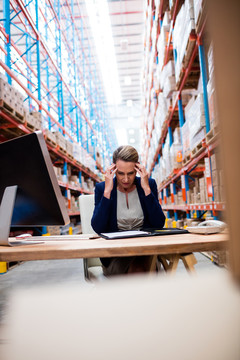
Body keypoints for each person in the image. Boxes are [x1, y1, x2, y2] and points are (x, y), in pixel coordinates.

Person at [91, 145, 165, 276]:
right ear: (113, 169)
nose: (125, 179)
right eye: (120, 173)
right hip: (116, 254)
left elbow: (158, 223)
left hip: (145, 251)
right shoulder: (102, 188)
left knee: (142, 268)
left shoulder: (148, 184)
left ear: (137, 169)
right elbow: (98, 227)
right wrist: (107, 191)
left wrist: (147, 189)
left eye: (130, 173)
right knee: (138, 270)